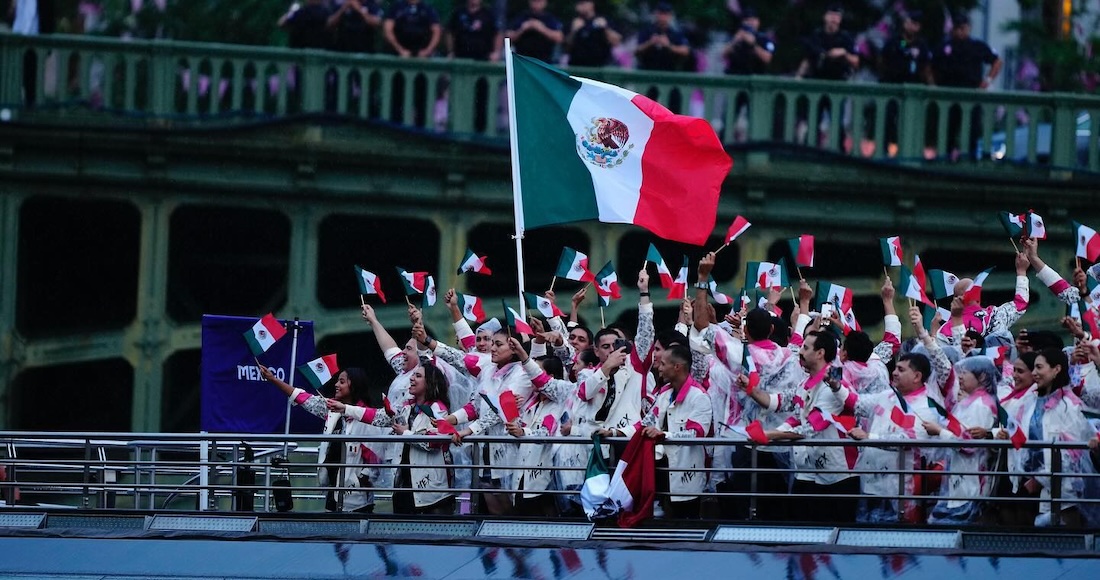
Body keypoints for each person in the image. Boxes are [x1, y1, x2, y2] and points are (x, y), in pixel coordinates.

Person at [745, 330, 860, 523]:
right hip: (811, 471)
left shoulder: (834, 385)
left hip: (839, 475)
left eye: (805, 348)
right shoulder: (805, 383)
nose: (800, 351)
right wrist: (751, 389)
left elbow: (812, 428)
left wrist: (770, 435)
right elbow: (781, 404)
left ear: (820, 353)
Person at [332, 364, 457, 514]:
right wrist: (346, 408)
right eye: (413, 375)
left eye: (418, 376)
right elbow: (377, 416)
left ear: (430, 382)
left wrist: (406, 434)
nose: (411, 378)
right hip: (404, 486)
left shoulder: (439, 409)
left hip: (434, 493)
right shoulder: (406, 408)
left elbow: (434, 442)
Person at [258, 364, 383, 513]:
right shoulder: (331, 409)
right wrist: (273, 379)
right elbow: (302, 398)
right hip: (332, 494)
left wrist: (359, 482)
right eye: (337, 381)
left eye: (342, 382)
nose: (336, 385)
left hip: (357, 502)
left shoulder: (367, 418)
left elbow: (375, 460)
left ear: (355, 386)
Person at [840, 352, 933, 523]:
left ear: (917, 376)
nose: (894, 372)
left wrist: (869, 437)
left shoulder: (926, 407)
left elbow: (908, 439)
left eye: (901, 369)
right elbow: (856, 404)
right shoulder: (886, 396)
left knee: (893, 544)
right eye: (895, 368)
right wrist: (835, 385)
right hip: (869, 485)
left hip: (898, 492)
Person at [1009, 348, 1097, 526]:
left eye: (1039, 368)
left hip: (1066, 495)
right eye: (1033, 368)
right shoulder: (1031, 401)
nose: (1034, 373)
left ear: (1056, 369)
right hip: (1034, 489)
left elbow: (1072, 453)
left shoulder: (1070, 406)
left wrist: (1040, 479)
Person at [639, 344, 713, 519]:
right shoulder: (664, 393)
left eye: (663, 364)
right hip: (661, 473)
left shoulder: (699, 397)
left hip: (687, 477)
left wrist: (664, 435)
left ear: (677, 367)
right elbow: (646, 422)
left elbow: (696, 434)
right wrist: (615, 433)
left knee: (687, 525)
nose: (659, 368)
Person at [923, 356, 999, 524]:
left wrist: (940, 431)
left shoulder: (981, 405)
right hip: (958, 477)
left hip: (970, 482)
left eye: (965, 373)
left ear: (982, 377)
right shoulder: (969, 402)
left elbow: (968, 445)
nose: (961, 377)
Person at [931, 12, 1002, 159]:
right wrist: (933, 85)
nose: (960, 31)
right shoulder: (945, 46)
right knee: (947, 130)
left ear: (968, 28)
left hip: (971, 94)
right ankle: (945, 158)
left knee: (971, 130)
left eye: (963, 28)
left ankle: (970, 158)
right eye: (957, 28)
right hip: (949, 94)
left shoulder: (976, 46)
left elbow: (997, 61)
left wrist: (987, 81)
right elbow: (930, 66)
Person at [794, 4, 857, 149]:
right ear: (825, 17)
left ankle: (839, 152)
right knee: (813, 120)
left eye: (837, 16)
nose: (834, 19)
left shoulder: (845, 38)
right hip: (817, 84)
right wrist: (798, 76)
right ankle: (810, 151)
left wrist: (843, 54)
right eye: (831, 15)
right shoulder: (816, 36)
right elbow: (809, 59)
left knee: (837, 122)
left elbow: (856, 61)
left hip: (837, 85)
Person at [879, 10, 932, 157]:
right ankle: (885, 150)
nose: (912, 27)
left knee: (911, 122)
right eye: (910, 23)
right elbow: (883, 61)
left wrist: (930, 84)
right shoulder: (894, 42)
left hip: (913, 88)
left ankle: (909, 151)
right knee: (888, 120)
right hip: (892, 86)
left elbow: (926, 67)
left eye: (915, 24)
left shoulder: (921, 45)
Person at [634, 3, 690, 73]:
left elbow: (685, 51)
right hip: (647, 71)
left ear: (670, 16)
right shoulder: (647, 30)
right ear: (656, 14)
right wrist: (650, 42)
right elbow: (636, 50)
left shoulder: (676, 32)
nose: (663, 17)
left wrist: (668, 45)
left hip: (669, 72)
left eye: (665, 14)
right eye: (660, 14)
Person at [565, 0, 620, 68]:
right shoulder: (573, 22)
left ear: (591, 4)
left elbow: (616, 42)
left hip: (600, 66)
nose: (578, 7)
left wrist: (605, 29)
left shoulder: (603, 20)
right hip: (577, 66)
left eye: (582, 3)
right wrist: (574, 31)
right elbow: (566, 47)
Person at [506, 0, 563, 64]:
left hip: (544, 61)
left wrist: (541, 28)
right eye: (534, 1)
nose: (537, 3)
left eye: (539, 1)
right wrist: (522, 29)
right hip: (522, 60)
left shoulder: (550, 18)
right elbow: (508, 37)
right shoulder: (521, 17)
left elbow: (559, 38)